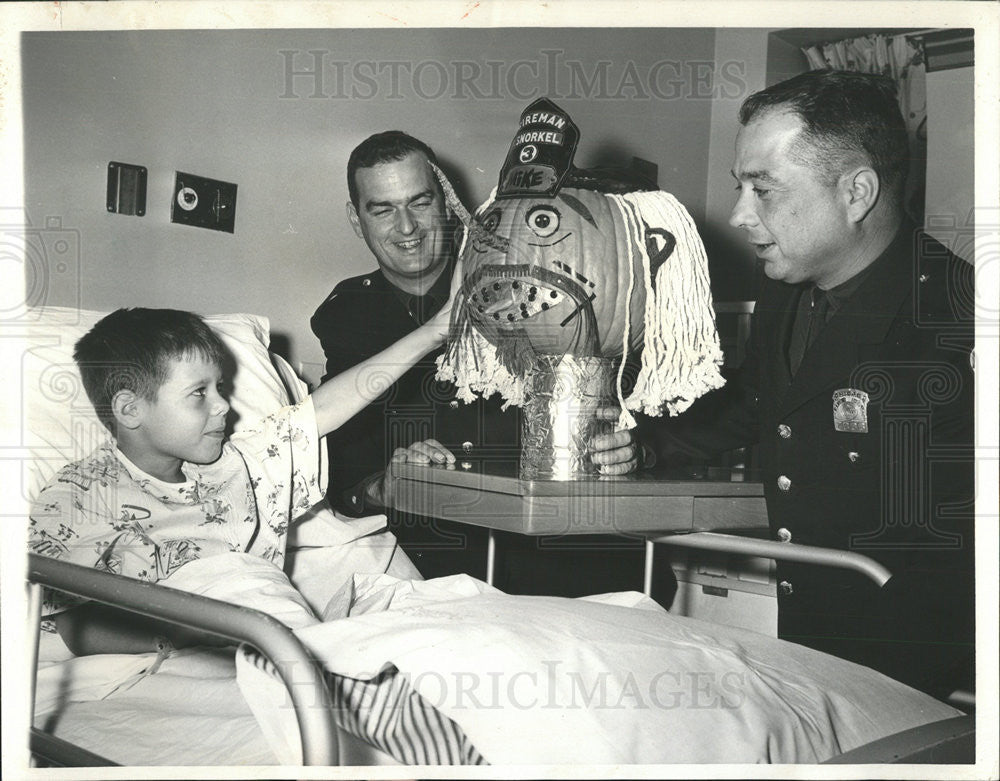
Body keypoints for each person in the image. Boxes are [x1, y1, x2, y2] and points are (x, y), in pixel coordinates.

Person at [649, 70, 975, 699]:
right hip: (811, 652)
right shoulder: (786, 289)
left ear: (856, 192)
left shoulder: (959, 321)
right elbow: (760, 402)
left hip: (918, 675)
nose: (741, 216)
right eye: (739, 187)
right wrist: (646, 446)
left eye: (763, 190)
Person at [311, 131, 645, 594]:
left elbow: (639, 401)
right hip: (441, 573)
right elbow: (337, 458)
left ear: (447, 203)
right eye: (382, 209)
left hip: (566, 562)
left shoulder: (527, 275)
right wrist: (383, 484)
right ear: (356, 218)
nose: (406, 227)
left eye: (420, 202)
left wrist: (631, 447)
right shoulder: (348, 316)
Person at [28, 304, 451, 655]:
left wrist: (434, 331)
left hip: (265, 628)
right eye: (200, 393)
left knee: (436, 616)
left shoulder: (237, 463)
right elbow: (73, 625)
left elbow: (325, 408)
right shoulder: (80, 496)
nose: (222, 406)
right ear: (130, 410)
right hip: (188, 646)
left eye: (222, 388)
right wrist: (190, 636)